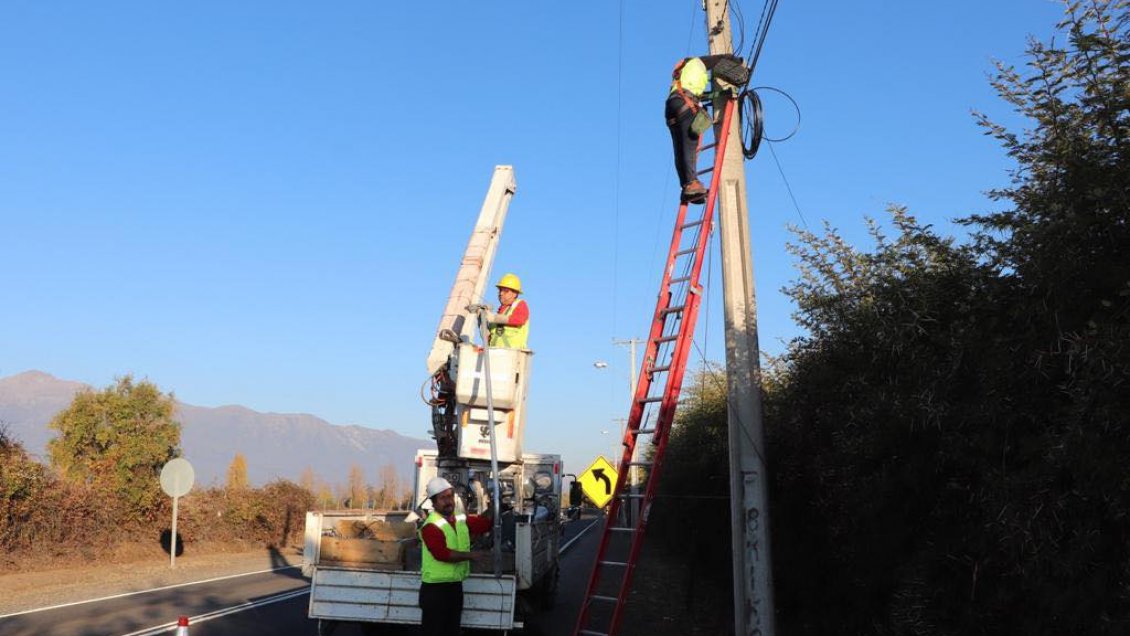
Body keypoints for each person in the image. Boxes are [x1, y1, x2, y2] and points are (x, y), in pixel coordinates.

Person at [418, 477, 492, 636]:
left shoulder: (459, 518)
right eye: (443, 498)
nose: (448, 501)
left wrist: (496, 507)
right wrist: (471, 555)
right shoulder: (431, 526)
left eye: (450, 496)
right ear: (434, 502)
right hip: (434, 591)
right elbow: (442, 554)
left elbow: (484, 524)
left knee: (452, 630)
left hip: (454, 588)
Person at [665, 54, 743, 203]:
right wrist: (739, 62)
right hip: (685, 103)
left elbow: (693, 91)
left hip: (672, 105)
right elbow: (721, 59)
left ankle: (686, 186)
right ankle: (692, 183)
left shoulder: (681, 75)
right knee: (690, 143)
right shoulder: (698, 63)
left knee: (679, 148)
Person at [483, 273, 529, 349]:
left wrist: (494, 318)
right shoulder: (500, 312)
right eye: (500, 290)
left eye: (505, 291)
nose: (501, 293)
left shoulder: (520, 304)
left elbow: (520, 319)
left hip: (513, 355)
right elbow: (489, 339)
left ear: (515, 293)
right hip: (495, 354)